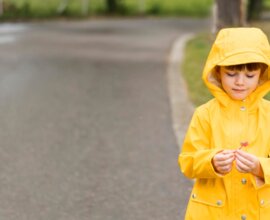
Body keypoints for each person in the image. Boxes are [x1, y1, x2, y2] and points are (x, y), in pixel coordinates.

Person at [178, 27, 270, 220]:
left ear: (261, 74)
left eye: (249, 75)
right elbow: (188, 161)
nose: (240, 82)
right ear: (217, 71)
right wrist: (211, 162)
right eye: (231, 74)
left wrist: (260, 167)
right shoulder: (205, 114)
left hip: (259, 212)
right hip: (213, 213)